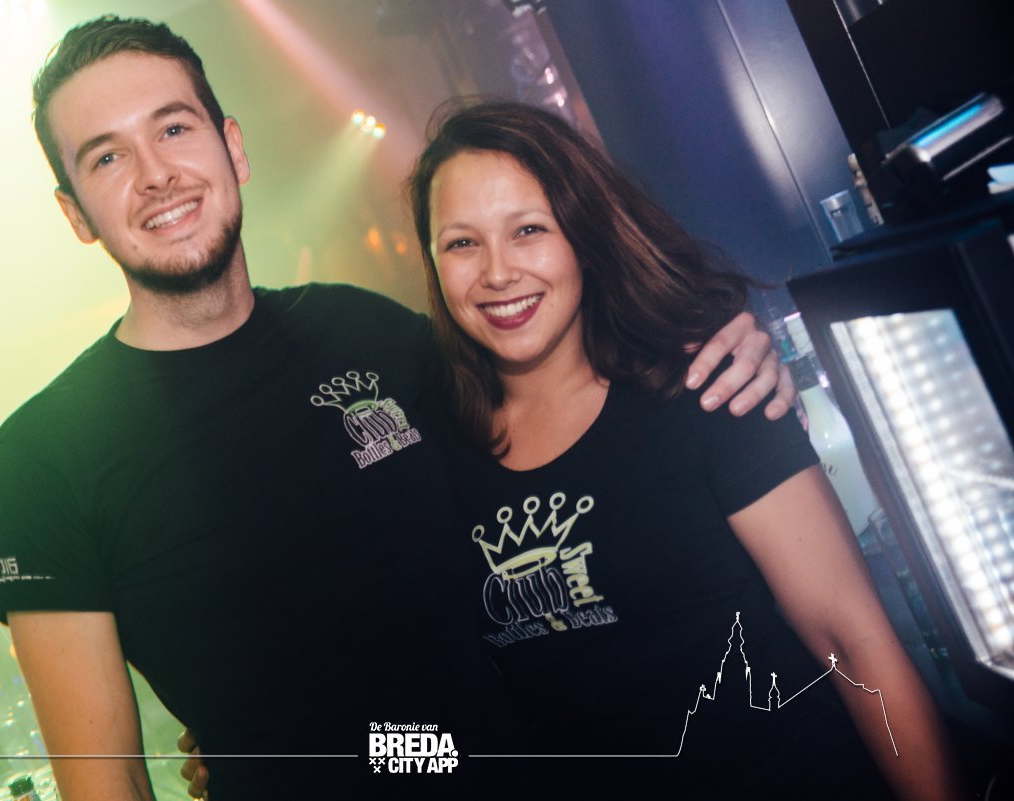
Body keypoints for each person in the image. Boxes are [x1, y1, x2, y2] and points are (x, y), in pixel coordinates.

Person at [0, 17, 791, 801]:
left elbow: (561, 394)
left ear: (233, 147)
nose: (156, 173)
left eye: (173, 129)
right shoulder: (44, 456)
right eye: (107, 157)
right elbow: (106, 781)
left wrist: (704, 350)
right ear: (75, 213)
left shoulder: (365, 330)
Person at [399, 99, 964, 800]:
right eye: (462, 243)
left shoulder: (710, 389)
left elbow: (854, 639)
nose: (497, 272)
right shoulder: (432, 449)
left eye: (529, 230)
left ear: (582, 234)